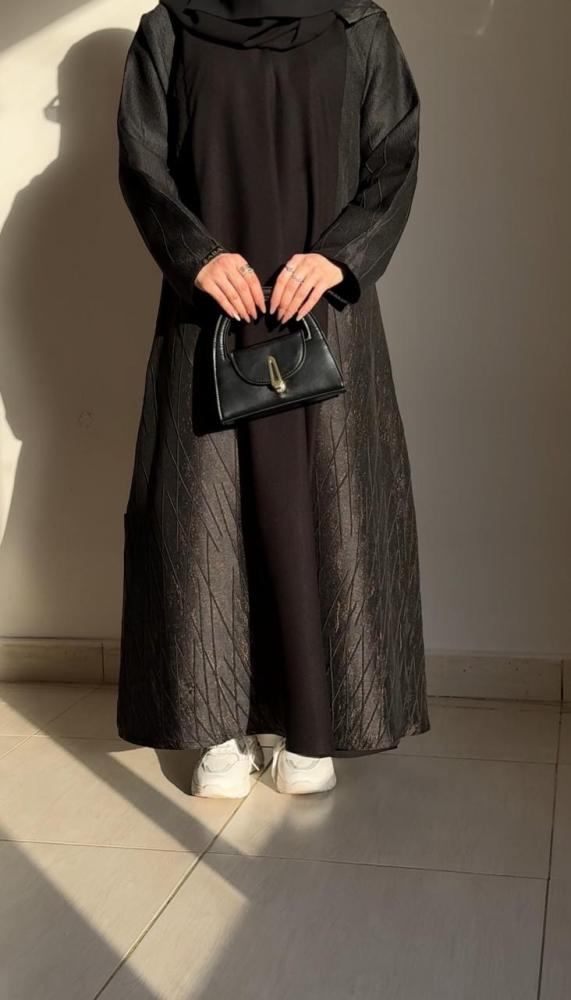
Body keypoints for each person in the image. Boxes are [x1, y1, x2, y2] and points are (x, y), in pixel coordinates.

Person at [115, 0, 430, 798]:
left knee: (320, 510)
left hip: (319, 315)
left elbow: (393, 157)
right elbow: (143, 162)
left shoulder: (358, 27)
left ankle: (310, 728)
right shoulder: (171, 30)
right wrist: (195, 256)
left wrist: (338, 258)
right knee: (205, 520)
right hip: (209, 315)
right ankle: (216, 726)